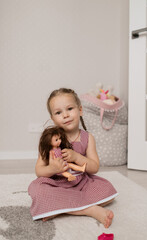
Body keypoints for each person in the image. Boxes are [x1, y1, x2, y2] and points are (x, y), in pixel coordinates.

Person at [28, 88, 118, 228]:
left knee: (108, 191)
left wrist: (77, 157)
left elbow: (94, 168)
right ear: (53, 118)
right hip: (56, 184)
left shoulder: (88, 138)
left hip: (81, 183)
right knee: (36, 189)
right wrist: (53, 168)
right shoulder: (49, 139)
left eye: (69, 109)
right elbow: (39, 171)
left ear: (80, 110)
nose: (65, 115)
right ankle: (90, 210)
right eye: (58, 112)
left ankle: (59, 207)